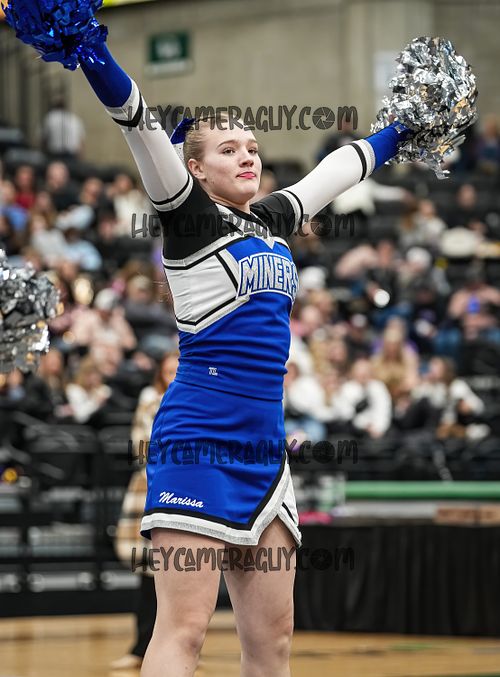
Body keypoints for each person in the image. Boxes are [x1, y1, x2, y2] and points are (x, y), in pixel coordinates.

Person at [13, 11, 418, 676]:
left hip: (265, 446)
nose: (248, 156)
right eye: (229, 149)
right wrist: (88, 48)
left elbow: (342, 168)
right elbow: (137, 120)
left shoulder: (274, 219)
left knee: (274, 638)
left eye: (252, 146)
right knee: (184, 630)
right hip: (198, 438)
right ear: (194, 168)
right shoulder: (187, 215)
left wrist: (403, 128)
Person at [113, 351, 179, 670]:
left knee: (180, 577)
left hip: (185, 492)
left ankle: (180, 648)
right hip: (150, 489)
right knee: (146, 575)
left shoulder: (196, 400)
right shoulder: (150, 401)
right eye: (168, 371)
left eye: (177, 370)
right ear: (160, 374)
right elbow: (143, 446)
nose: (173, 375)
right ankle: (141, 646)